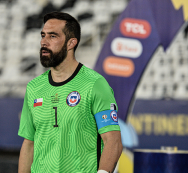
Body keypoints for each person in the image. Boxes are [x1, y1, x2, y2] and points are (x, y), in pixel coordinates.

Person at [18, 12, 123, 173]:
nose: (44, 42)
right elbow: (29, 144)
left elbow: (113, 140)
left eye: (53, 36)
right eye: (43, 35)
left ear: (71, 43)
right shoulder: (34, 87)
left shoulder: (95, 84)